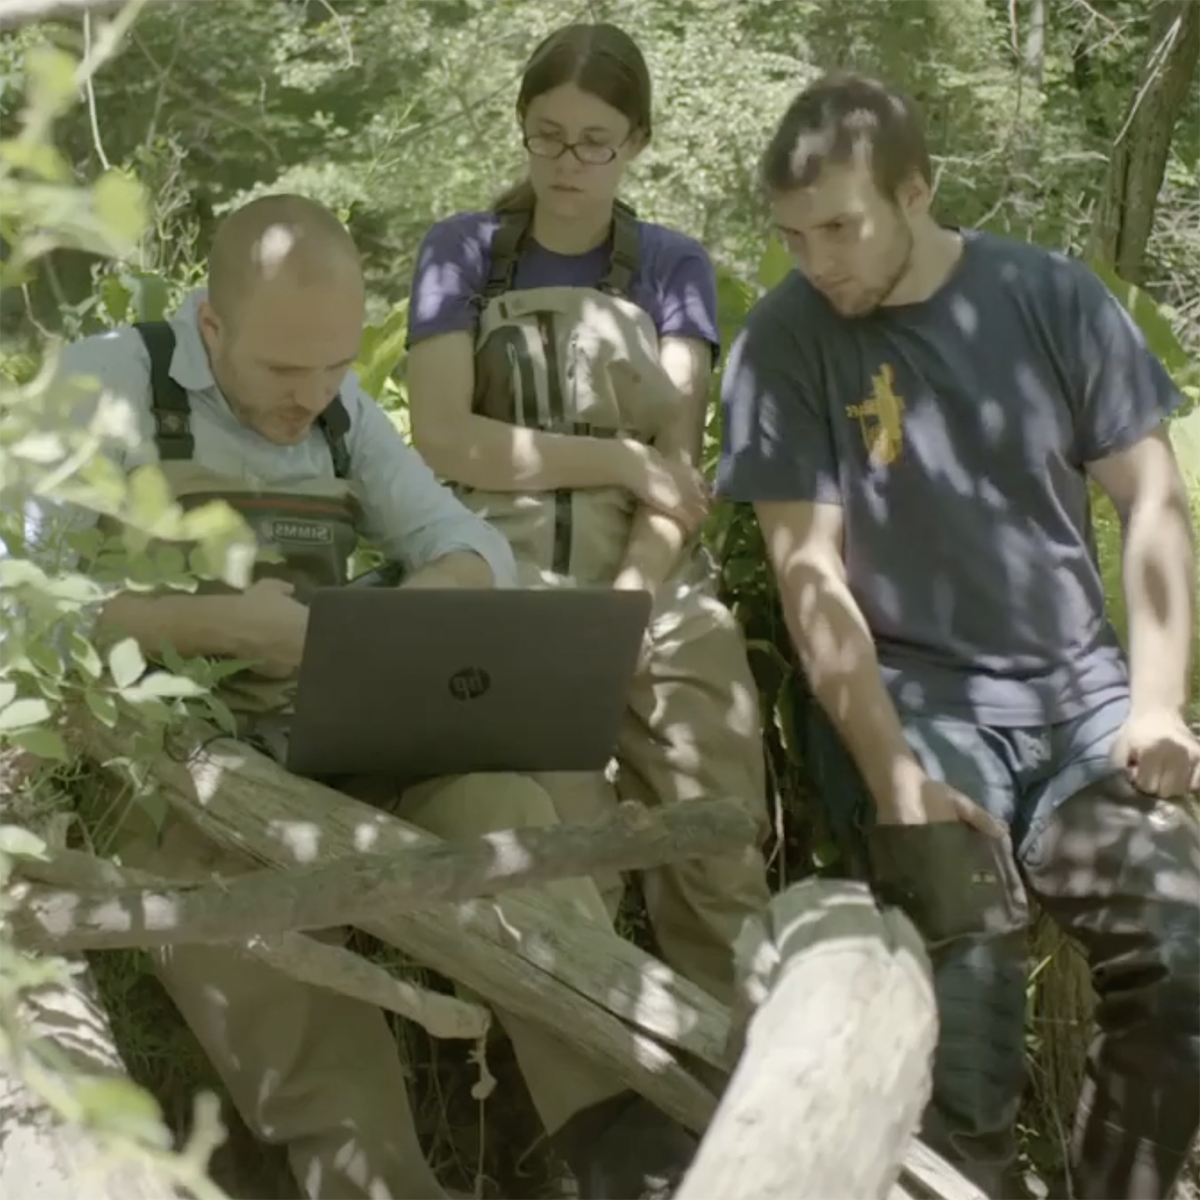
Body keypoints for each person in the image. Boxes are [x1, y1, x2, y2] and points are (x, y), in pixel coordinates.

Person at [41, 194, 700, 1200]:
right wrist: (218, 626)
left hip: (343, 735)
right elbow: (23, 603)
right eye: (282, 370)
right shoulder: (103, 384)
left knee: (503, 813)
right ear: (211, 325)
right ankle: (375, 1183)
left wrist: (397, 611)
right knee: (251, 916)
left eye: (336, 366)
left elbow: (473, 549)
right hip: (171, 767)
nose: (312, 395)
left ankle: (625, 1143)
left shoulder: (342, 415)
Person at [716, 73, 1200, 1200]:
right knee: (964, 1026)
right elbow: (809, 575)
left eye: (840, 226)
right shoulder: (787, 343)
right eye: (792, 235)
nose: (815, 259)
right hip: (917, 714)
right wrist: (892, 775)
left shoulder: (1052, 298)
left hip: (1083, 710)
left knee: (1185, 963)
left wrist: (1159, 703)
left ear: (918, 191)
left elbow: (1155, 504)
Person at [405, 22, 772, 1012]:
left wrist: (626, 605)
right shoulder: (462, 253)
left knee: (721, 826)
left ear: (637, 142)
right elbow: (445, 436)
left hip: (655, 582)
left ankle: (743, 1084)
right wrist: (616, 458)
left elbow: (678, 474)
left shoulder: (672, 266)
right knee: (563, 852)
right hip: (506, 583)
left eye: (595, 140)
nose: (568, 162)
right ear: (522, 131)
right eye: (546, 134)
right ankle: (603, 1104)